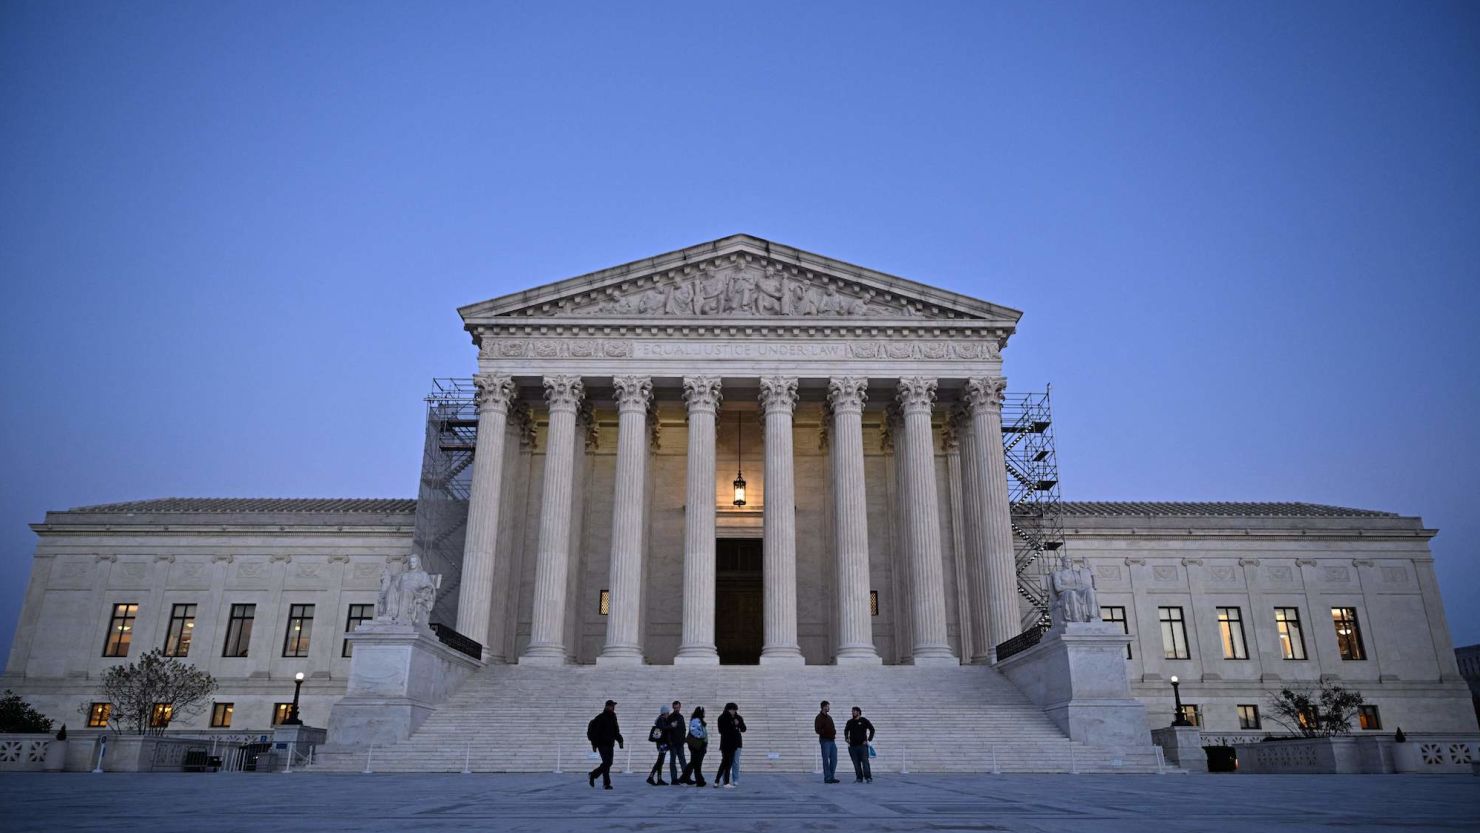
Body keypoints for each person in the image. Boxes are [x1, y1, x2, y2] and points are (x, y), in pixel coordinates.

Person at [586, 700, 623, 790]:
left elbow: (616, 730)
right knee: (607, 763)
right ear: (607, 706)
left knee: (607, 763)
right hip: (602, 744)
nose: (613, 707)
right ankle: (598, 778)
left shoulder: (613, 717)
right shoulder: (600, 718)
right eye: (611, 706)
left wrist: (620, 740)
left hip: (610, 743)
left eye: (613, 706)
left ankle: (603, 782)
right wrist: (594, 745)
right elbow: (595, 733)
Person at [713, 701, 744, 788]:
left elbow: (744, 728)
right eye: (732, 710)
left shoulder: (738, 717)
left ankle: (733, 780)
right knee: (726, 762)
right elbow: (722, 731)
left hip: (736, 743)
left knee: (733, 762)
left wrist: (738, 724)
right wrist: (734, 726)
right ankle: (724, 781)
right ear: (728, 709)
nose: (734, 711)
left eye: (735, 710)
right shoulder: (722, 718)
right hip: (727, 744)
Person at [844, 706, 875, 783]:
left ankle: (868, 777)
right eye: (852, 711)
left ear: (858, 712)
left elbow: (872, 729)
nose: (853, 712)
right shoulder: (850, 722)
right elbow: (846, 730)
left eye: (854, 711)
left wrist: (868, 740)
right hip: (852, 746)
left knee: (865, 762)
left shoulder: (864, 720)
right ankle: (859, 778)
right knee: (856, 763)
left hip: (862, 746)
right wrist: (846, 738)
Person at [679, 706, 708, 787]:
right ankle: (699, 781)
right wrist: (702, 736)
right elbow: (694, 731)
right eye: (703, 712)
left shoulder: (698, 720)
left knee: (694, 762)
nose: (704, 713)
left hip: (698, 744)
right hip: (696, 744)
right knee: (697, 763)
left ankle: (684, 778)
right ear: (700, 712)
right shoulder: (696, 720)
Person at [815, 700, 839, 784]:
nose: (829, 708)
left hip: (832, 741)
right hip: (825, 741)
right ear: (823, 707)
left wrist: (834, 732)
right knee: (825, 760)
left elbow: (833, 727)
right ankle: (827, 778)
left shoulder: (829, 717)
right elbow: (817, 730)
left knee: (834, 759)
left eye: (829, 706)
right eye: (827, 706)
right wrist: (826, 731)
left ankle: (832, 776)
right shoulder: (819, 717)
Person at [646, 705, 671, 785]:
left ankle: (659, 779)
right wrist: (671, 726)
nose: (668, 714)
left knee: (661, 760)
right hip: (661, 743)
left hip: (662, 743)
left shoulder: (662, 719)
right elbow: (663, 728)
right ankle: (650, 777)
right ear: (664, 713)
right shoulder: (661, 719)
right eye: (667, 713)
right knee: (660, 760)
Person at [666, 699, 689, 784]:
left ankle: (686, 777)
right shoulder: (670, 717)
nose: (677, 709)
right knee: (673, 761)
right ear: (673, 707)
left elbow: (684, 728)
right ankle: (674, 779)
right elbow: (667, 730)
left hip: (680, 743)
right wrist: (670, 742)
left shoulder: (681, 716)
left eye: (678, 707)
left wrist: (684, 739)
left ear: (680, 707)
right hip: (673, 743)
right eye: (675, 708)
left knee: (683, 760)